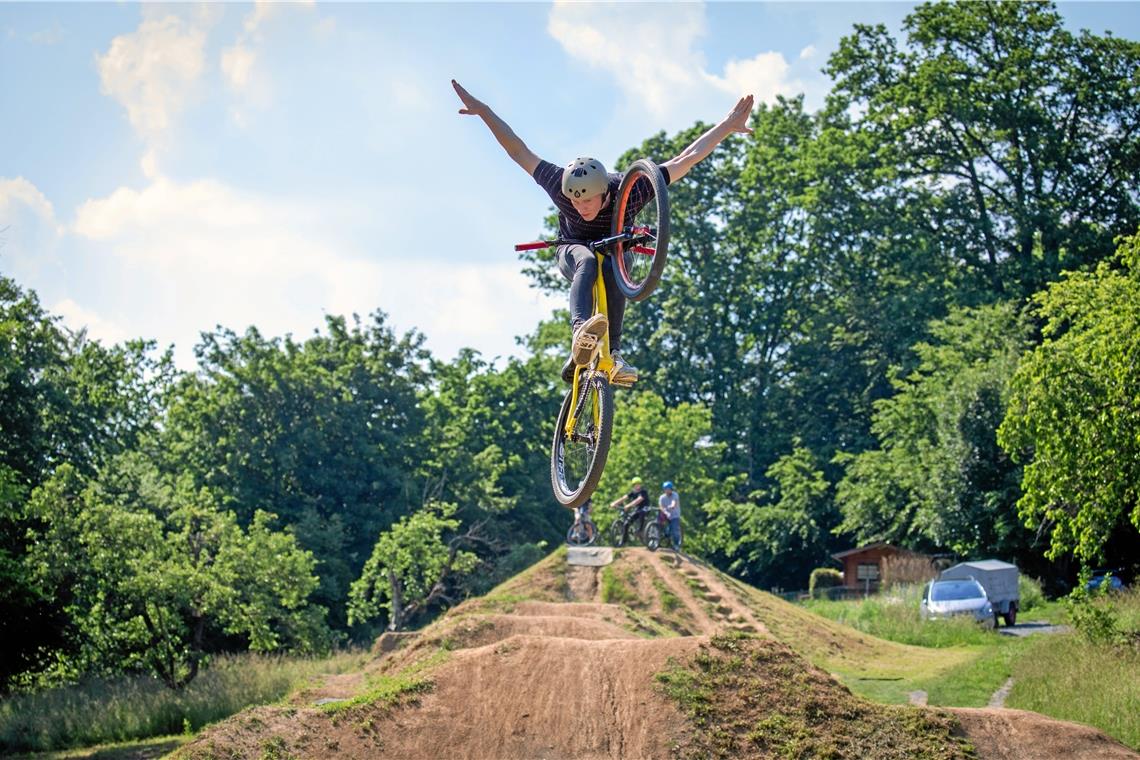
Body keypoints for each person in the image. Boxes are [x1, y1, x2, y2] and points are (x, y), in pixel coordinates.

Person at [452, 80, 754, 383]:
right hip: (571, 248)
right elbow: (518, 150)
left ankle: (615, 353)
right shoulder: (559, 183)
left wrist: (727, 126)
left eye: (587, 201)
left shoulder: (630, 189)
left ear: (604, 193)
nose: (581, 207)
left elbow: (685, 159)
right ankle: (580, 333)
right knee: (586, 260)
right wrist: (485, 111)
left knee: (609, 265)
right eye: (575, 201)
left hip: (616, 248)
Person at [610, 476, 652, 544]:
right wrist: (614, 503)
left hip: (645, 508)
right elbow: (623, 498)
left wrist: (628, 505)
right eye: (635, 484)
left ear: (640, 485)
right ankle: (623, 541)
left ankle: (640, 530)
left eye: (638, 484)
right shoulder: (633, 492)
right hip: (637, 509)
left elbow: (638, 500)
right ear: (633, 485)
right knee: (626, 523)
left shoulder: (643, 492)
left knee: (641, 513)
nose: (637, 486)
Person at [658, 481, 681, 552]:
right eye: (665, 489)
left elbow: (674, 502)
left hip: (674, 515)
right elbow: (661, 506)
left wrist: (672, 506)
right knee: (658, 522)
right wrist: (665, 512)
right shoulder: (662, 497)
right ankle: (656, 538)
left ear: (671, 489)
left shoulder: (675, 495)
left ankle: (676, 545)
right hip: (666, 514)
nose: (667, 490)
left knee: (675, 530)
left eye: (668, 489)